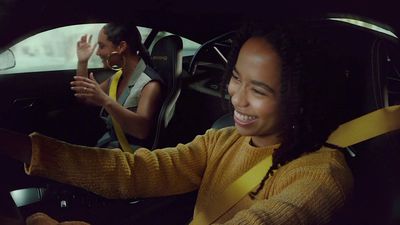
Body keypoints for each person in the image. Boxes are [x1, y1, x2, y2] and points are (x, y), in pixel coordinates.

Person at [0, 23, 353, 225]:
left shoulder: (321, 174)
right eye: (235, 78)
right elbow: (138, 171)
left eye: (259, 90)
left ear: (303, 97)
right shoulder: (223, 140)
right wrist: (24, 147)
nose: (237, 98)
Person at [72, 22, 164, 149]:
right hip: (110, 146)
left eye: (102, 46)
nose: (98, 53)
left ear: (121, 47)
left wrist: (105, 100)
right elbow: (85, 98)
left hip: (130, 156)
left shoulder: (150, 85)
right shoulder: (117, 78)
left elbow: (141, 131)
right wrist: (82, 62)